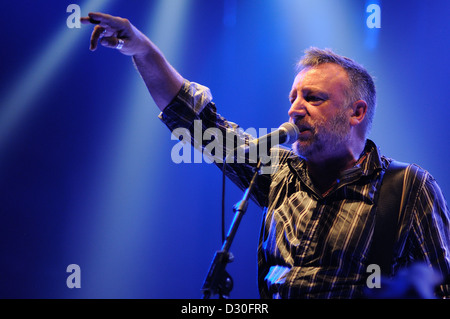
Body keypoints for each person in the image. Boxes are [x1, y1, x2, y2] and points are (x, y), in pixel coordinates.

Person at [81, 12, 450, 299]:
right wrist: (143, 49)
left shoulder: (407, 188)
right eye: (293, 98)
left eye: (313, 98)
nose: (295, 110)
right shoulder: (278, 171)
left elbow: (440, 288)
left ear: (357, 113)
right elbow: (196, 123)